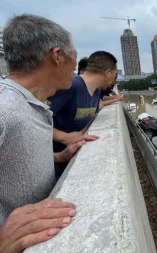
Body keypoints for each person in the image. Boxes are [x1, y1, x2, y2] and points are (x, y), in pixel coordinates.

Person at [0, 14, 97, 252]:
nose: (75, 75)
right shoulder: (5, 107)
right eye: (74, 67)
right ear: (57, 56)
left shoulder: (32, 103)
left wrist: (60, 156)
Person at [48, 51, 123, 178]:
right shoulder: (71, 86)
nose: (113, 81)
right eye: (115, 75)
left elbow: (96, 109)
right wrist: (64, 137)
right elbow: (33, 120)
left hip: (69, 159)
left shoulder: (97, 91)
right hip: (50, 162)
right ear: (107, 72)